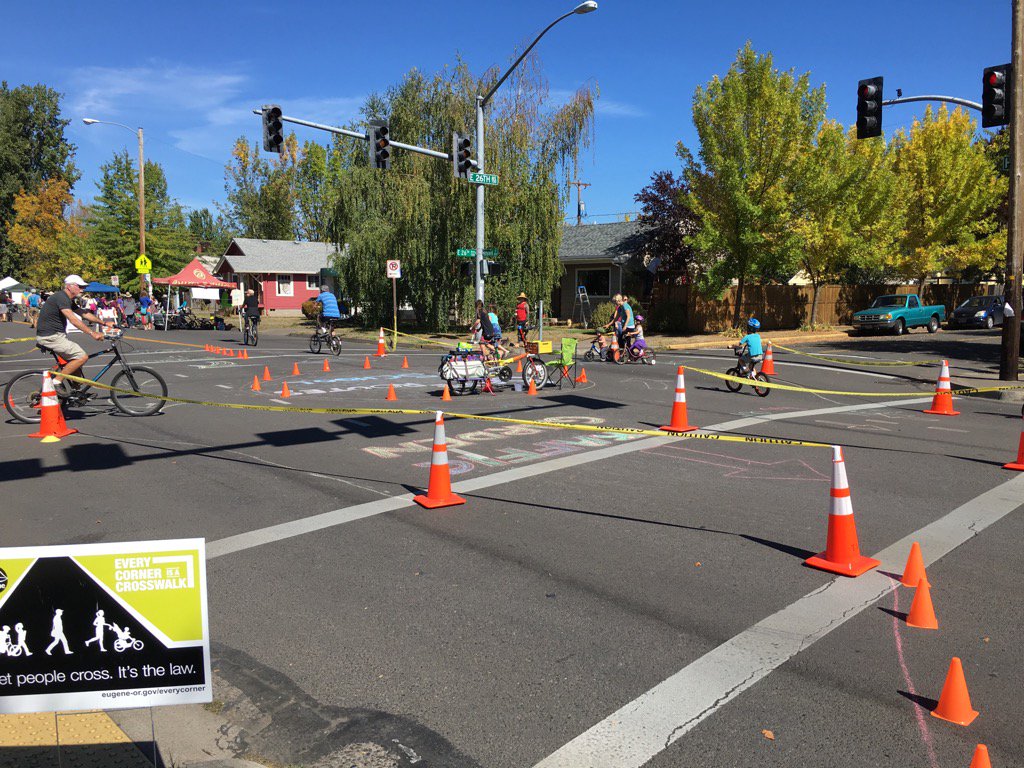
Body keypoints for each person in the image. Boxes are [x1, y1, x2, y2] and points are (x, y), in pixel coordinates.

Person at [36, 275, 115, 392]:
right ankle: (56, 382)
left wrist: (104, 322)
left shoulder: (67, 299)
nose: (83, 289)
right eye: (80, 286)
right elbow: (73, 318)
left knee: (77, 360)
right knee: (81, 357)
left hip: (56, 335)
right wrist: (92, 333)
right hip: (51, 336)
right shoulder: (61, 298)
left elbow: (83, 313)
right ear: (69, 286)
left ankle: (76, 391)